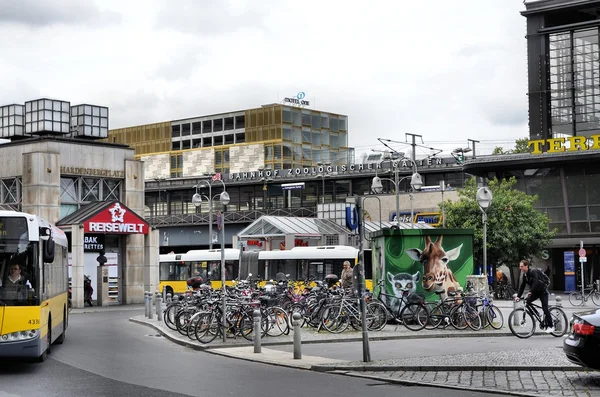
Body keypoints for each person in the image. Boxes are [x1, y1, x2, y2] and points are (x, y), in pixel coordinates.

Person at [516, 259, 554, 333]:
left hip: (542, 291)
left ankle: (551, 326)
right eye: (520, 266)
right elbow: (522, 286)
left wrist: (530, 292)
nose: (520, 268)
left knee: (545, 308)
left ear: (526, 266)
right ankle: (537, 313)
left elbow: (535, 283)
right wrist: (518, 296)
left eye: (522, 266)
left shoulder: (533, 272)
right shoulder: (525, 275)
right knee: (527, 301)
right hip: (535, 292)